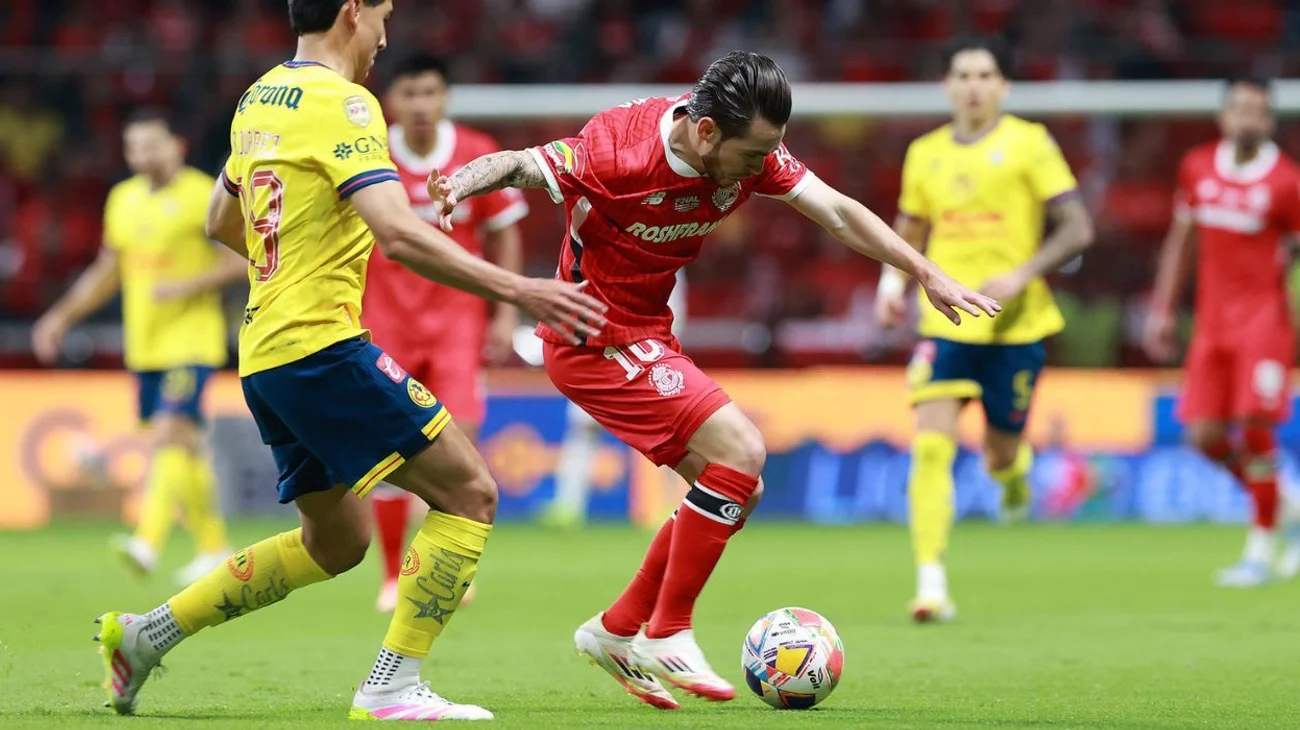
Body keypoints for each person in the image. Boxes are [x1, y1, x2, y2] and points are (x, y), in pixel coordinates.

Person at [432, 50, 998, 710]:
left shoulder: (750, 149)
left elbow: (837, 211)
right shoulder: (615, 150)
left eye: (770, 153)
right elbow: (521, 164)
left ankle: (616, 630)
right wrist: (465, 178)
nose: (762, 168)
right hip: (591, 335)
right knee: (742, 450)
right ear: (705, 133)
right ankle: (668, 630)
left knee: (737, 487)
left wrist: (923, 271)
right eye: (753, 154)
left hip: (647, 332)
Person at [92, 0, 605, 721]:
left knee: (335, 543)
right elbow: (397, 233)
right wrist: (520, 290)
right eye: (383, 16)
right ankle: (393, 684)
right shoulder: (346, 104)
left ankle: (146, 635)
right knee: (470, 493)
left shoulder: (259, 95)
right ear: (351, 11)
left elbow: (219, 222)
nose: (387, 35)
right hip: (321, 347)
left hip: (265, 352)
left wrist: (287, 269)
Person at [874, 37, 1094, 623]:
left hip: (1014, 327)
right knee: (930, 447)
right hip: (944, 321)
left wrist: (1024, 273)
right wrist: (891, 288)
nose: (973, 85)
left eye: (984, 75)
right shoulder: (925, 153)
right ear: (948, 86)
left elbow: (1077, 228)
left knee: (999, 455)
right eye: (963, 75)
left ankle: (1015, 474)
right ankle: (930, 583)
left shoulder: (1030, 143)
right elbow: (908, 227)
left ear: (1002, 87)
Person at [32, 109, 245, 586]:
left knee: (170, 433)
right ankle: (214, 547)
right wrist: (60, 316)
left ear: (177, 146)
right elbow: (109, 269)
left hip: (191, 339)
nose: (144, 154)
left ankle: (147, 540)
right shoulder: (123, 199)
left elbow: (240, 260)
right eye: (135, 147)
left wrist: (185, 286)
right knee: (183, 447)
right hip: (145, 343)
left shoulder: (201, 194)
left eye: (153, 143)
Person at [364, 52, 530, 613]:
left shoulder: (476, 152)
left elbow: (504, 229)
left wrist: (505, 311)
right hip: (384, 318)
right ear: (392, 100)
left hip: (457, 322)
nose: (419, 106)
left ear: (445, 97)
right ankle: (393, 577)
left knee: (459, 448)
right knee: (390, 450)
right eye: (409, 94)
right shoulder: (370, 151)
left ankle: (445, 567)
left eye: (429, 93)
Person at [1145, 75, 1300, 587]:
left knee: (1256, 431)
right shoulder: (1198, 167)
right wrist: (1163, 308)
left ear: (1270, 122)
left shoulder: (1286, 182)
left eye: (1257, 111)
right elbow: (1181, 240)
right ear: (1223, 117)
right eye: (1238, 109)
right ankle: (1291, 507)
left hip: (1265, 323)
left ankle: (1260, 550)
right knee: (1204, 437)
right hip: (1211, 325)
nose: (1247, 119)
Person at [543, 269, 688, 529]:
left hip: (649, 355)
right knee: (583, 429)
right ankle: (568, 505)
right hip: (602, 351)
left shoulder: (668, 257)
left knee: (665, 434)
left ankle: (666, 505)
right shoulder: (608, 250)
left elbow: (676, 313)